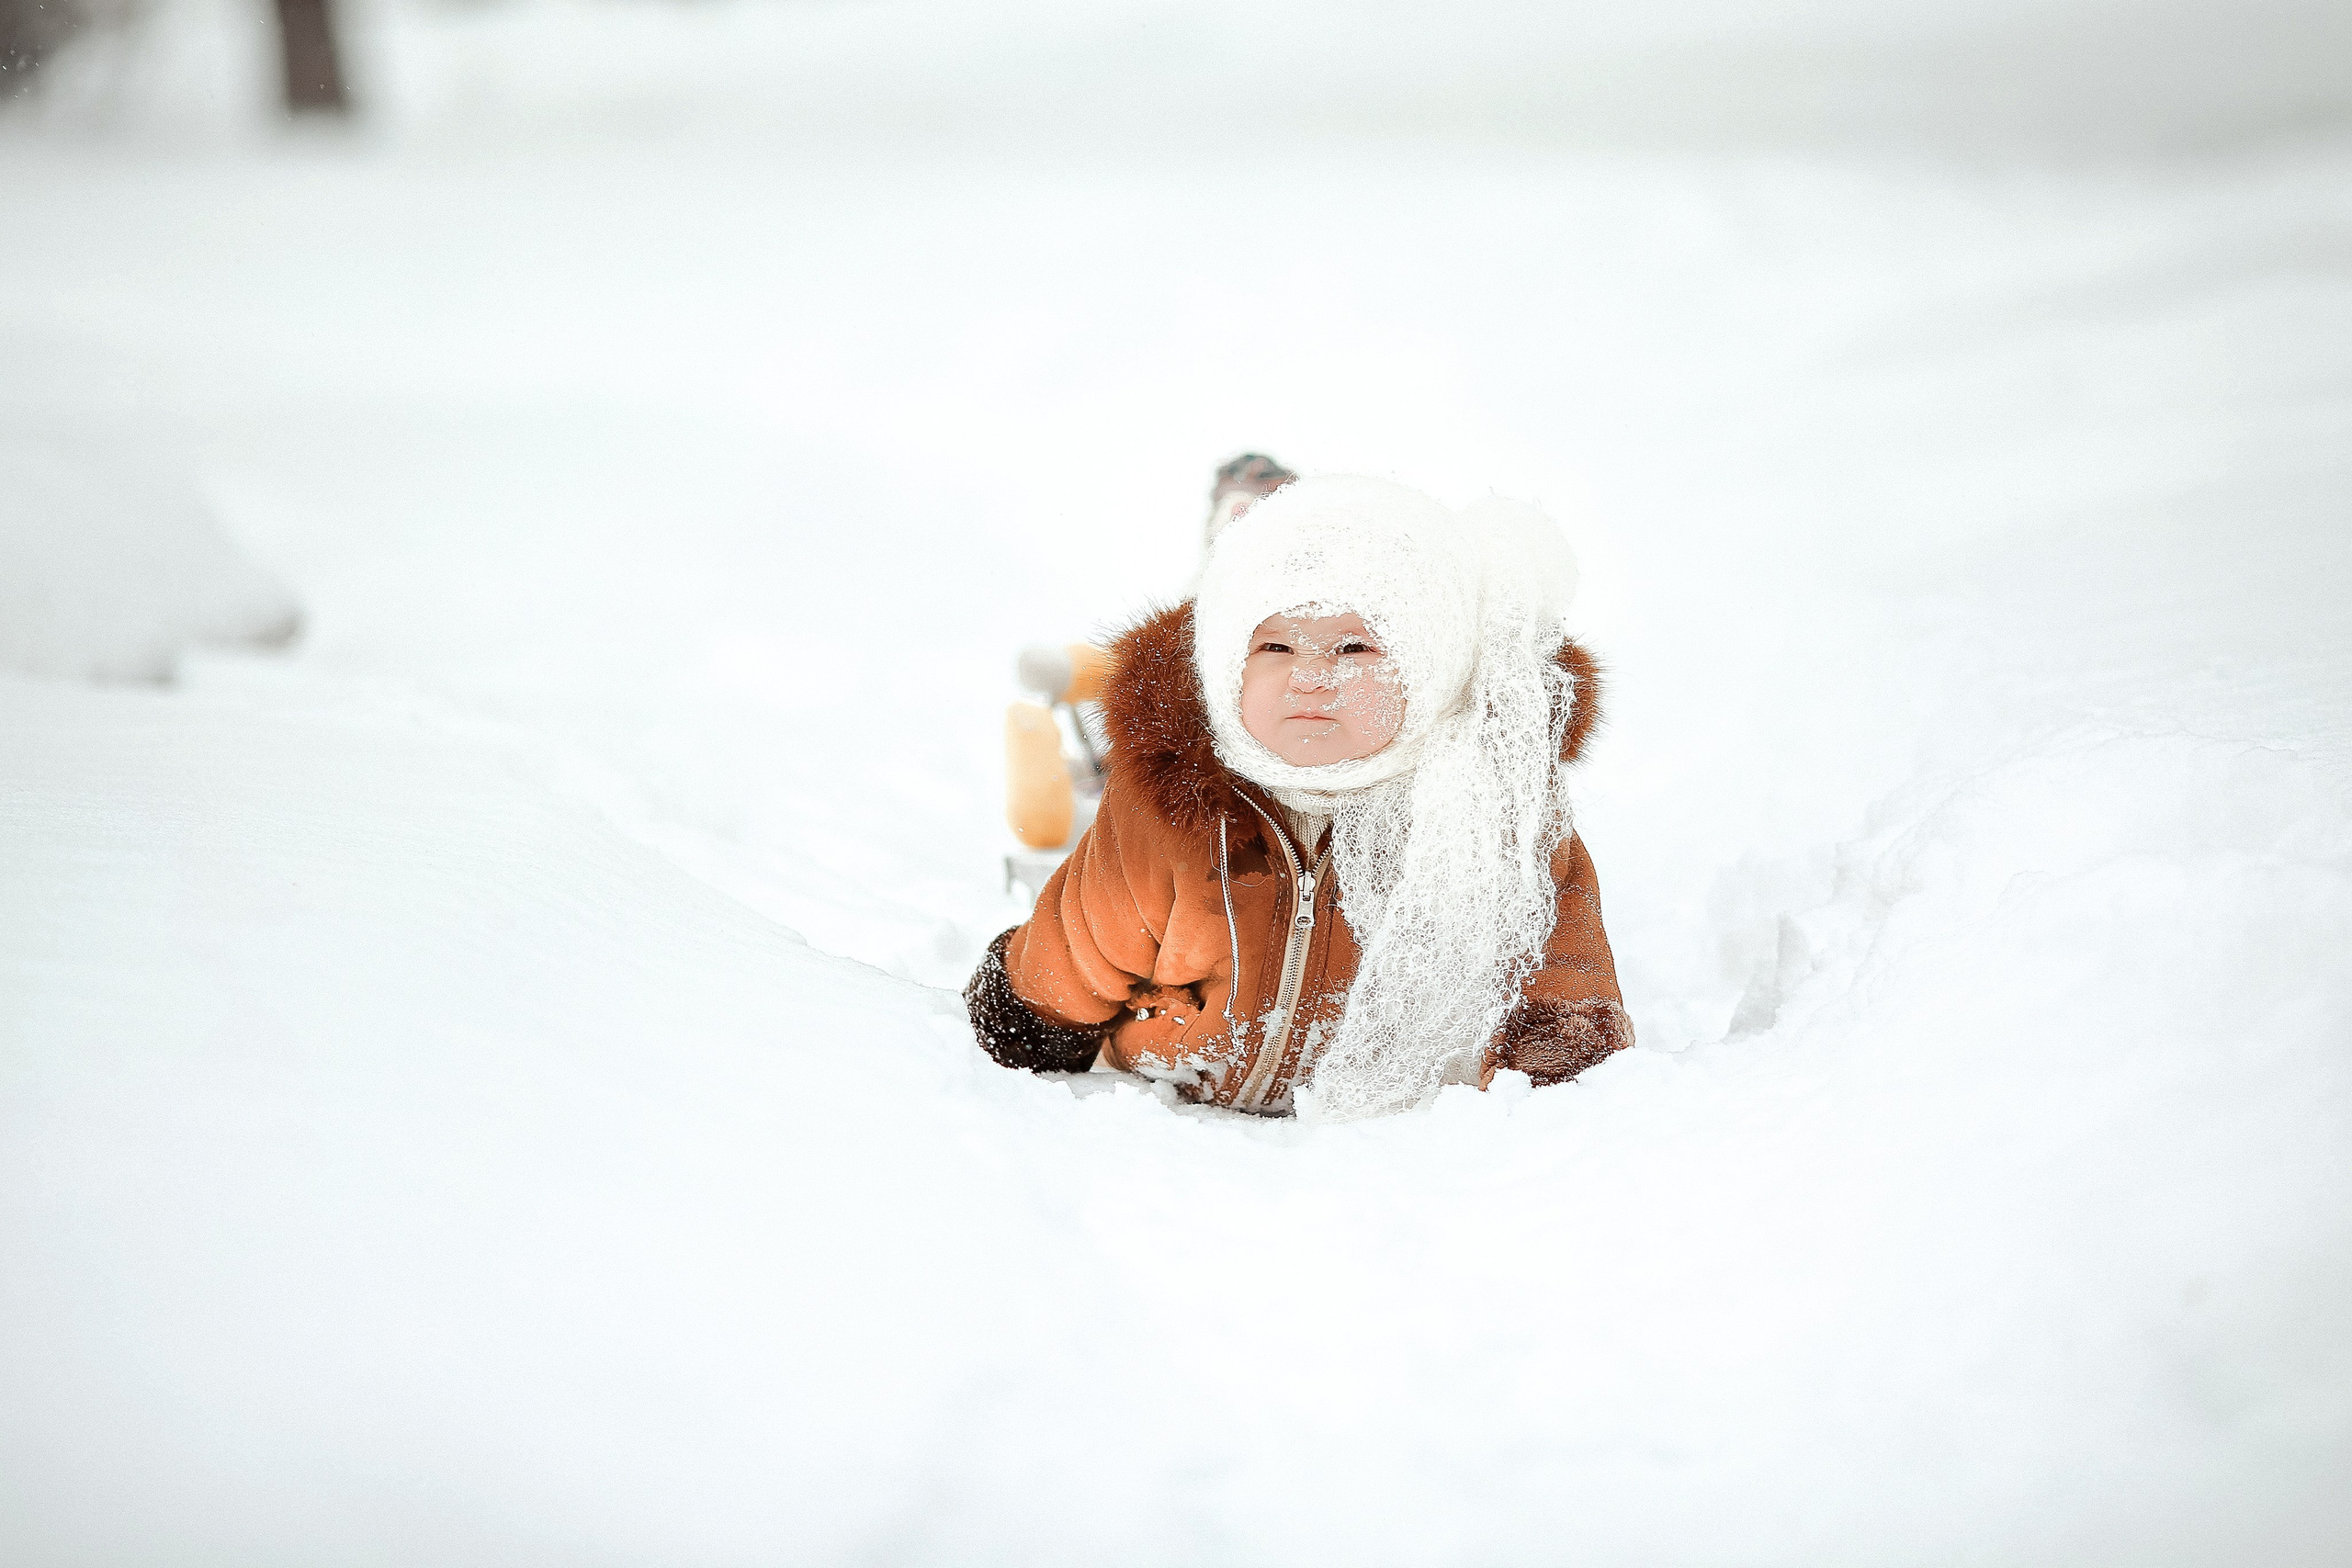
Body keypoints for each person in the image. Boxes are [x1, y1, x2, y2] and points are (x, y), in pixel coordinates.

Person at [965, 472, 1631, 1121]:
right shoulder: (1173, 805)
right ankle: (1048, 769)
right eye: (1276, 645)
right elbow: (1088, 931)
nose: (1311, 676)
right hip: (1177, 1101)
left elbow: (1552, 934)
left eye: (1353, 647)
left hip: (1376, 1122)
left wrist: (1557, 1044)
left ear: (1427, 664)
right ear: (1227, 661)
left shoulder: (1478, 803)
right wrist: (1030, 1014)